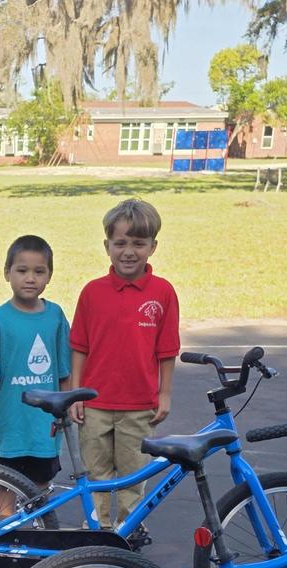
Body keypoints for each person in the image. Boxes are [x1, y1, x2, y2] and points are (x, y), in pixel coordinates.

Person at [69, 198, 180, 534]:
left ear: (152, 247)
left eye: (138, 243)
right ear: (107, 246)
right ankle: (99, 529)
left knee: (134, 474)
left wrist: (164, 394)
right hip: (95, 404)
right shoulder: (92, 292)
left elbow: (167, 350)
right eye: (120, 243)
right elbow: (79, 347)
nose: (128, 252)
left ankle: (128, 529)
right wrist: (76, 393)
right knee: (97, 472)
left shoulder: (162, 293)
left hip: (138, 405)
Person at [0, 235, 70, 517]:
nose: (30, 278)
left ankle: (39, 525)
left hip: (44, 423)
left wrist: (67, 407)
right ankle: (5, 527)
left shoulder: (55, 315)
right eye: (22, 271)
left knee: (42, 479)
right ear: (7, 273)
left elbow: (64, 369)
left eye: (38, 271)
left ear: (49, 275)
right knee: (6, 478)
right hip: (11, 421)